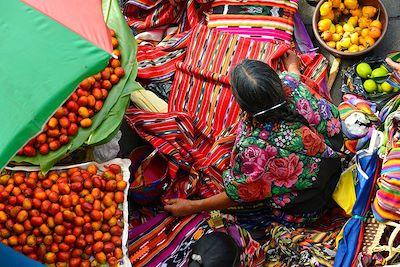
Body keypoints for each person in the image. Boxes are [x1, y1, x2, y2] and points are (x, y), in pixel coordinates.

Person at [164, 50, 344, 228]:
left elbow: (238, 193)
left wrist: (192, 206)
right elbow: (293, 77)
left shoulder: (253, 148)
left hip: (308, 204)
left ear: (243, 106)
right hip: (336, 168)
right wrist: (293, 66)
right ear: (276, 83)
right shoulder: (294, 87)